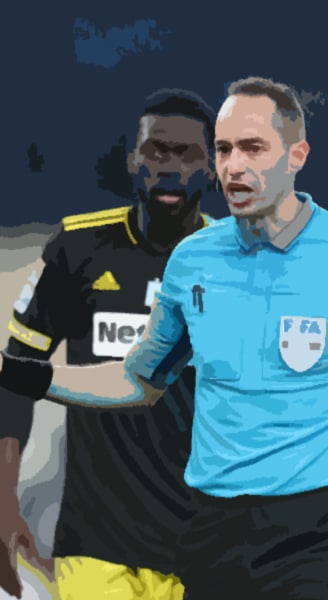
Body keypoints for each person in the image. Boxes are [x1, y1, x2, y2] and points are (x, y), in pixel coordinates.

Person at [0, 76, 328, 598]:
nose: (234, 166)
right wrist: (28, 375)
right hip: (212, 535)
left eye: (252, 148)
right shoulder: (193, 260)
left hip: (320, 534)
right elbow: (140, 381)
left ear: (297, 156)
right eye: (224, 150)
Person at [0, 89, 219, 599]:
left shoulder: (237, 265)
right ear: (131, 160)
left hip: (208, 548)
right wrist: (4, 502)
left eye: (187, 154)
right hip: (94, 545)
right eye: (156, 151)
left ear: (212, 169)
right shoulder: (77, 248)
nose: (170, 168)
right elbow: (14, 378)